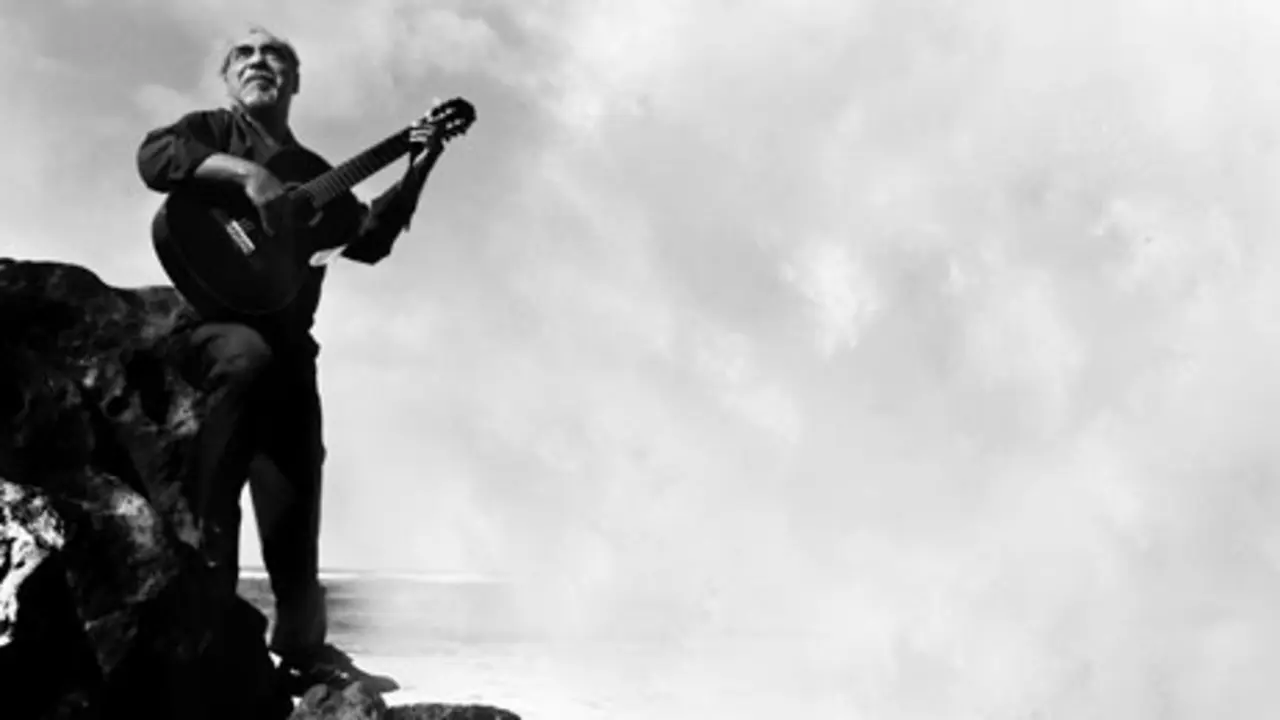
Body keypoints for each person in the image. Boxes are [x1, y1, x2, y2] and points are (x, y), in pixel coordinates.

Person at [135, 25, 444, 695]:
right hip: (215, 331)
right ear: (227, 77)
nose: (259, 61)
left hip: (288, 354)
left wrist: (419, 166)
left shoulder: (314, 172)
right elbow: (156, 157)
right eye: (244, 54)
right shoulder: (212, 129)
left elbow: (369, 240)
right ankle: (211, 644)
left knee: (296, 507)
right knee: (219, 479)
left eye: (274, 54)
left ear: (295, 80)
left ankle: (306, 652)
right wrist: (248, 175)